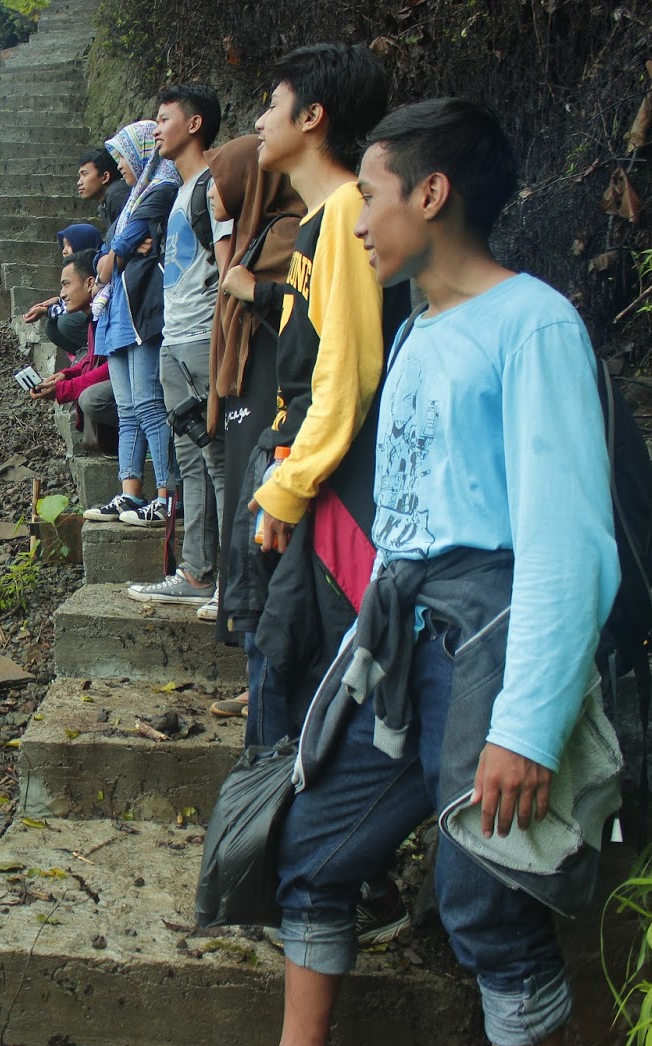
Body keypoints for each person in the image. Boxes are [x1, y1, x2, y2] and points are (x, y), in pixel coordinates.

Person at [265, 97, 620, 1046]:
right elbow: (408, 516)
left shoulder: (532, 324)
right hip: (401, 646)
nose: (358, 222)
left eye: (372, 196)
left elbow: (566, 541)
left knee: (487, 904)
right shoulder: (418, 331)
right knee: (312, 842)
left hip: (486, 652)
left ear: (430, 193)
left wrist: (527, 727)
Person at [221, 43, 408, 748]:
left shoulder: (349, 212)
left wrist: (292, 484)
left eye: (272, 105)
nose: (260, 121)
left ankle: (278, 800)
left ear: (313, 117)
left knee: (288, 659)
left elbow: (348, 366)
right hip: (291, 456)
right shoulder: (316, 220)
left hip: (314, 475)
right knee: (268, 647)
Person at [199, 135, 305, 718]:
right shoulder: (255, 234)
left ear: (248, 183)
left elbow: (309, 307)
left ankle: (271, 678)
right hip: (249, 394)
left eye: (219, 181)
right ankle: (255, 673)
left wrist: (256, 290)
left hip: (272, 396)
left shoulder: (288, 232)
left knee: (262, 526)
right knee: (245, 530)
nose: (212, 195)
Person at [125, 85, 229, 611]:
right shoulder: (181, 190)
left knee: (219, 460)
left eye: (164, 119)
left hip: (204, 337)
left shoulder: (214, 186)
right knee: (189, 462)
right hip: (174, 338)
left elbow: (228, 269)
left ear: (194, 124)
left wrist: (223, 340)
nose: (156, 129)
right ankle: (195, 573)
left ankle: (235, 583)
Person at [82, 119, 182, 522]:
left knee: (149, 404)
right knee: (127, 410)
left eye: (122, 156)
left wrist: (114, 255)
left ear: (141, 153)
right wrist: (113, 254)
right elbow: (103, 257)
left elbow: (112, 258)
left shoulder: (161, 189)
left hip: (141, 311)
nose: (120, 164)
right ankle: (130, 493)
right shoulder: (133, 199)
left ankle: (168, 495)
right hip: (117, 315)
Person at [29, 254, 116, 453]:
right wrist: (66, 375)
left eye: (66, 284)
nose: (62, 294)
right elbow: (93, 359)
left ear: (90, 283)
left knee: (90, 399)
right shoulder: (95, 318)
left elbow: (112, 369)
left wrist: (64, 389)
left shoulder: (110, 314)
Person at [23, 223, 104, 325]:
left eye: (69, 245)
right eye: (64, 245)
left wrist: (48, 310)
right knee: (52, 324)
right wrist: (58, 301)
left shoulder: (101, 274)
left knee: (65, 322)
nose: (64, 251)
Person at [78, 146, 130, 232]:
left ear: (105, 177)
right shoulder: (105, 203)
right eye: (80, 176)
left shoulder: (117, 195)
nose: (79, 182)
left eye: (85, 174)